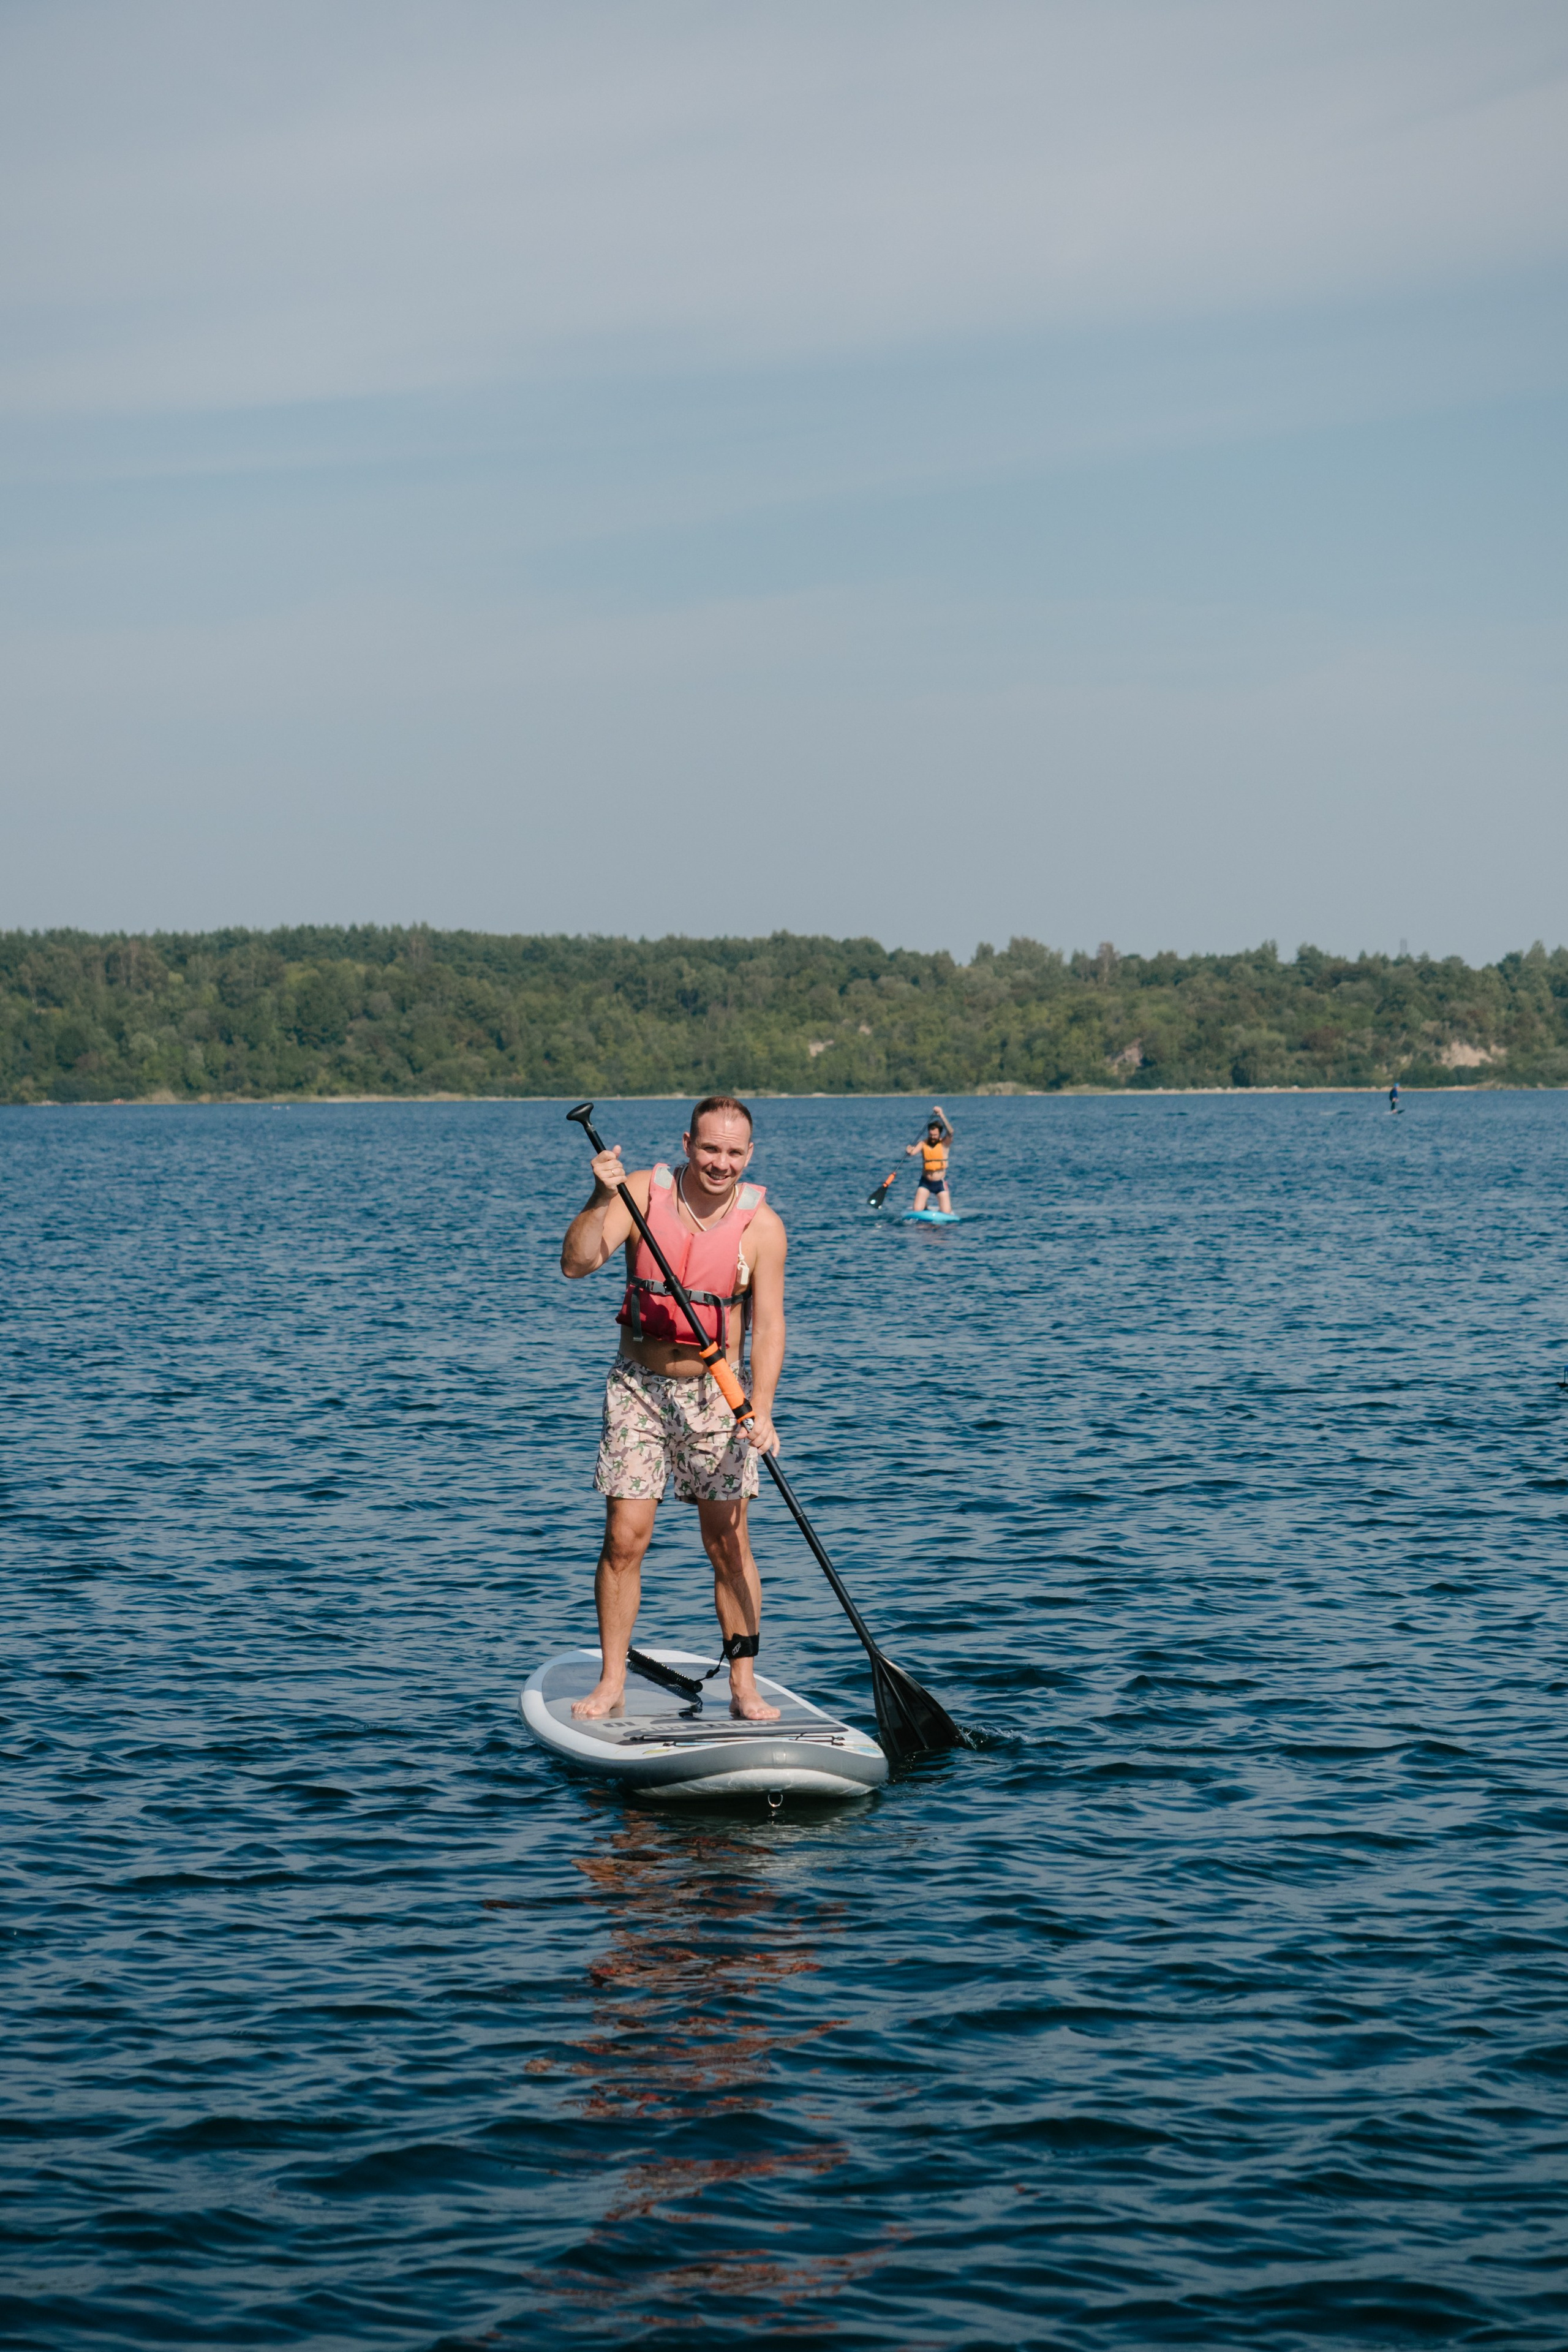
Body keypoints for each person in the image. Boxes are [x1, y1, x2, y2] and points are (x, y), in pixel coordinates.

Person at [559, 1095, 787, 1722]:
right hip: (638, 1386)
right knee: (623, 1540)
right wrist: (601, 1197)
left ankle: (743, 1685)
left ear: (749, 1154)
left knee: (728, 1542)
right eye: (709, 1148)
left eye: (734, 1152)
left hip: (719, 1397)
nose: (721, 1163)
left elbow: (767, 1329)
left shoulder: (762, 1228)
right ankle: (611, 1682)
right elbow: (575, 1265)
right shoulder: (638, 1192)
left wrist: (761, 1408)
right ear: (687, 1145)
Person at [907, 1106, 955, 1212]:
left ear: (939, 1134)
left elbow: (951, 1132)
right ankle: (924, 1206)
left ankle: (933, 1207)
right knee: (917, 1209)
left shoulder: (944, 1143)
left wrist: (941, 1115)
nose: (933, 1137)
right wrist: (909, 1151)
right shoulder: (923, 1143)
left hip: (940, 1183)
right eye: (931, 1135)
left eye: (935, 1135)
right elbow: (913, 1152)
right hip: (926, 1182)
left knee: (947, 1211)